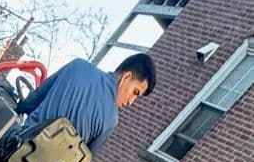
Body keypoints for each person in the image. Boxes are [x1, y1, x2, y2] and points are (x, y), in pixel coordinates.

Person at [16, 51, 156, 155]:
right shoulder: (111, 120)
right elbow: (84, 159)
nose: (131, 101)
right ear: (126, 77)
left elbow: (33, 100)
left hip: (17, 149)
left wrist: (20, 107)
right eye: (135, 92)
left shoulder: (78, 66)